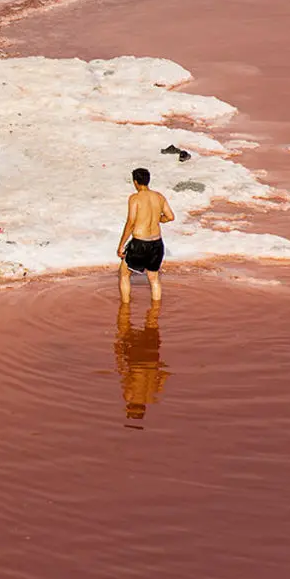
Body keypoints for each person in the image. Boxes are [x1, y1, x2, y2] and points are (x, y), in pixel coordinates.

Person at [117, 167, 175, 303]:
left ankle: (125, 308)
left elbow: (131, 222)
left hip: (140, 242)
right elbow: (170, 216)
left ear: (135, 182)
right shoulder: (159, 197)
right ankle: (155, 311)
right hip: (157, 242)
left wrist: (121, 245)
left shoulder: (135, 198)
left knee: (124, 274)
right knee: (154, 278)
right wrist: (159, 219)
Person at [114, 303, 169, 427]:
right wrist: (120, 355)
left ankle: (127, 303)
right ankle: (126, 305)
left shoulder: (153, 397)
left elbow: (164, 375)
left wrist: (155, 368)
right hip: (135, 359)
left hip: (152, 358)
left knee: (152, 323)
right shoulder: (132, 396)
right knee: (124, 328)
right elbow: (124, 374)